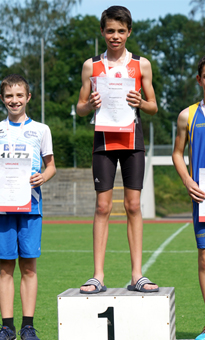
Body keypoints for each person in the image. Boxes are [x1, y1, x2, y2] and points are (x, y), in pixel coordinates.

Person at [77, 5, 158, 294]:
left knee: (133, 206)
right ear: (102, 31)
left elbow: (153, 106)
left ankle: (137, 274)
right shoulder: (92, 66)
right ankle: (98, 275)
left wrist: (140, 102)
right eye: (110, 30)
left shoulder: (142, 64)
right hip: (103, 142)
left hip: (132, 141)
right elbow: (80, 105)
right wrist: (90, 105)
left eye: (121, 31)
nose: (115, 36)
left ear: (129, 32)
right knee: (102, 206)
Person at [172, 53, 205, 340]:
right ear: (199, 79)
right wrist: (187, 180)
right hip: (204, 196)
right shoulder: (187, 115)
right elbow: (177, 154)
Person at [0, 74, 56, 340]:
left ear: (28, 97)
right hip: (3, 207)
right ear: (2, 99)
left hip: (30, 206)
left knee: (29, 267)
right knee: (4, 268)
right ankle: (7, 327)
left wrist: (43, 176)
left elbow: (51, 166)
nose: (14, 100)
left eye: (19, 95)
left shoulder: (41, 130)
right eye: (9, 96)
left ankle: (28, 326)